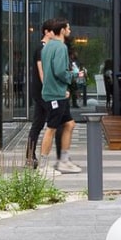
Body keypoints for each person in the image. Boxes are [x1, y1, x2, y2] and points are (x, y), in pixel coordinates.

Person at [40, 19, 82, 173]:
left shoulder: (47, 46)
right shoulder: (61, 47)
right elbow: (59, 71)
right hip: (55, 95)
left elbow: (49, 71)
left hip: (56, 93)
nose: (70, 30)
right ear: (62, 30)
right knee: (51, 128)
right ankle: (43, 166)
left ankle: (63, 161)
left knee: (70, 124)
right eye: (68, 28)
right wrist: (74, 75)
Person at [25, 19, 62, 168]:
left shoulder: (46, 48)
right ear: (46, 32)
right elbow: (42, 72)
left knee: (39, 123)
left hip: (42, 91)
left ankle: (30, 156)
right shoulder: (41, 48)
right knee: (56, 121)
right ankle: (57, 158)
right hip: (43, 92)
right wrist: (50, 89)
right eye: (53, 31)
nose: (56, 33)